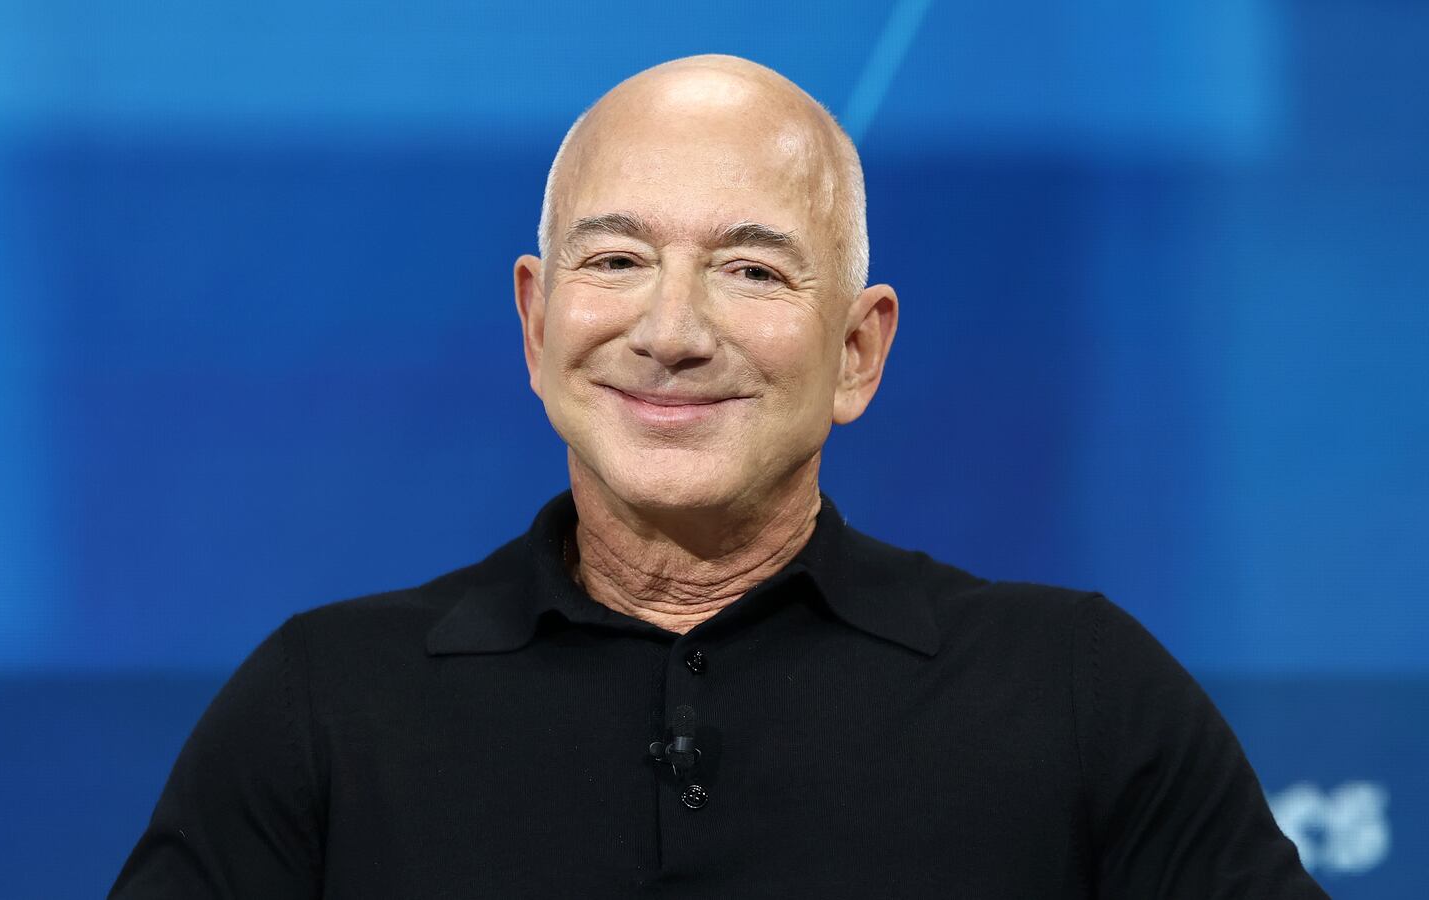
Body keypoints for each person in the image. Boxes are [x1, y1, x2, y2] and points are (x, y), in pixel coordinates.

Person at [110, 55, 1327, 898]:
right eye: (619, 258)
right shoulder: (320, 705)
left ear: (858, 350)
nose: (672, 331)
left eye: (751, 270)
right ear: (537, 326)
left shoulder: (1078, 691)